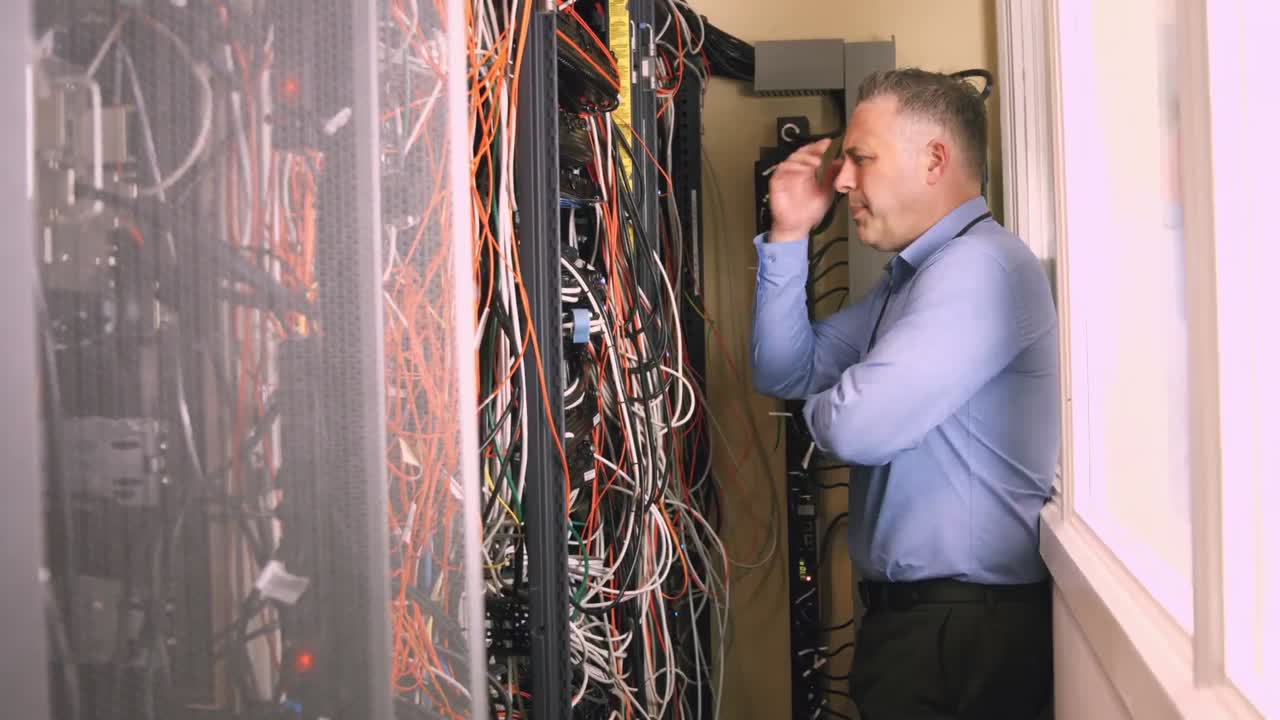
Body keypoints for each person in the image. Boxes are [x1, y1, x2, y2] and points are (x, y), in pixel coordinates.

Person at [751, 68, 1059, 719]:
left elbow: (858, 428)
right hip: (929, 629)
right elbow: (785, 370)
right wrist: (788, 235)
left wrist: (837, 404)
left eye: (861, 158)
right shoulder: (912, 283)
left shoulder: (979, 269)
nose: (840, 180)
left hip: (965, 636)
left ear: (934, 160)